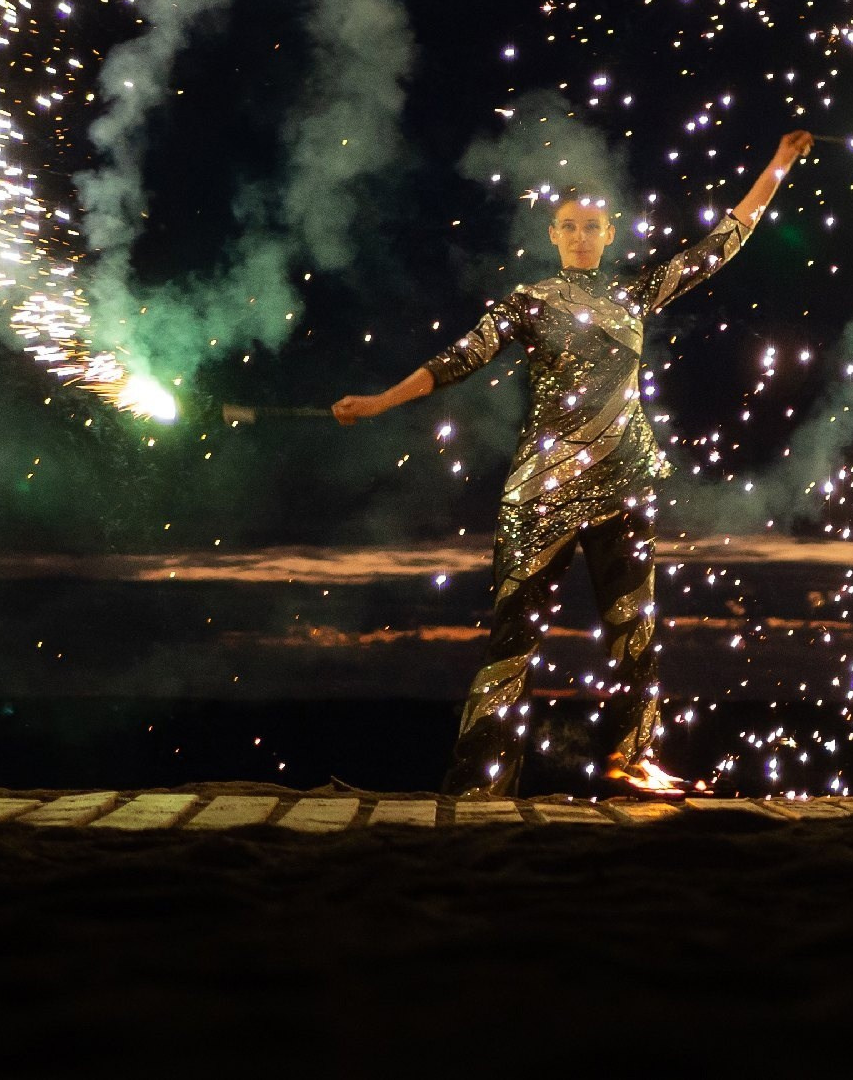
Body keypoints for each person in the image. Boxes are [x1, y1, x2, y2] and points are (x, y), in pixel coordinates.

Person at [335, 131, 814, 795]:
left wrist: (778, 163)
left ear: (610, 234)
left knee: (635, 631)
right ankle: (478, 781)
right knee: (513, 641)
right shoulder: (528, 302)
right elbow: (461, 357)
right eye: (570, 227)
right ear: (552, 234)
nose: (582, 237)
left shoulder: (635, 293)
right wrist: (382, 401)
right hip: (542, 491)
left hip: (623, 485)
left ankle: (631, 758)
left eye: (593, 227)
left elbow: (721, 243)